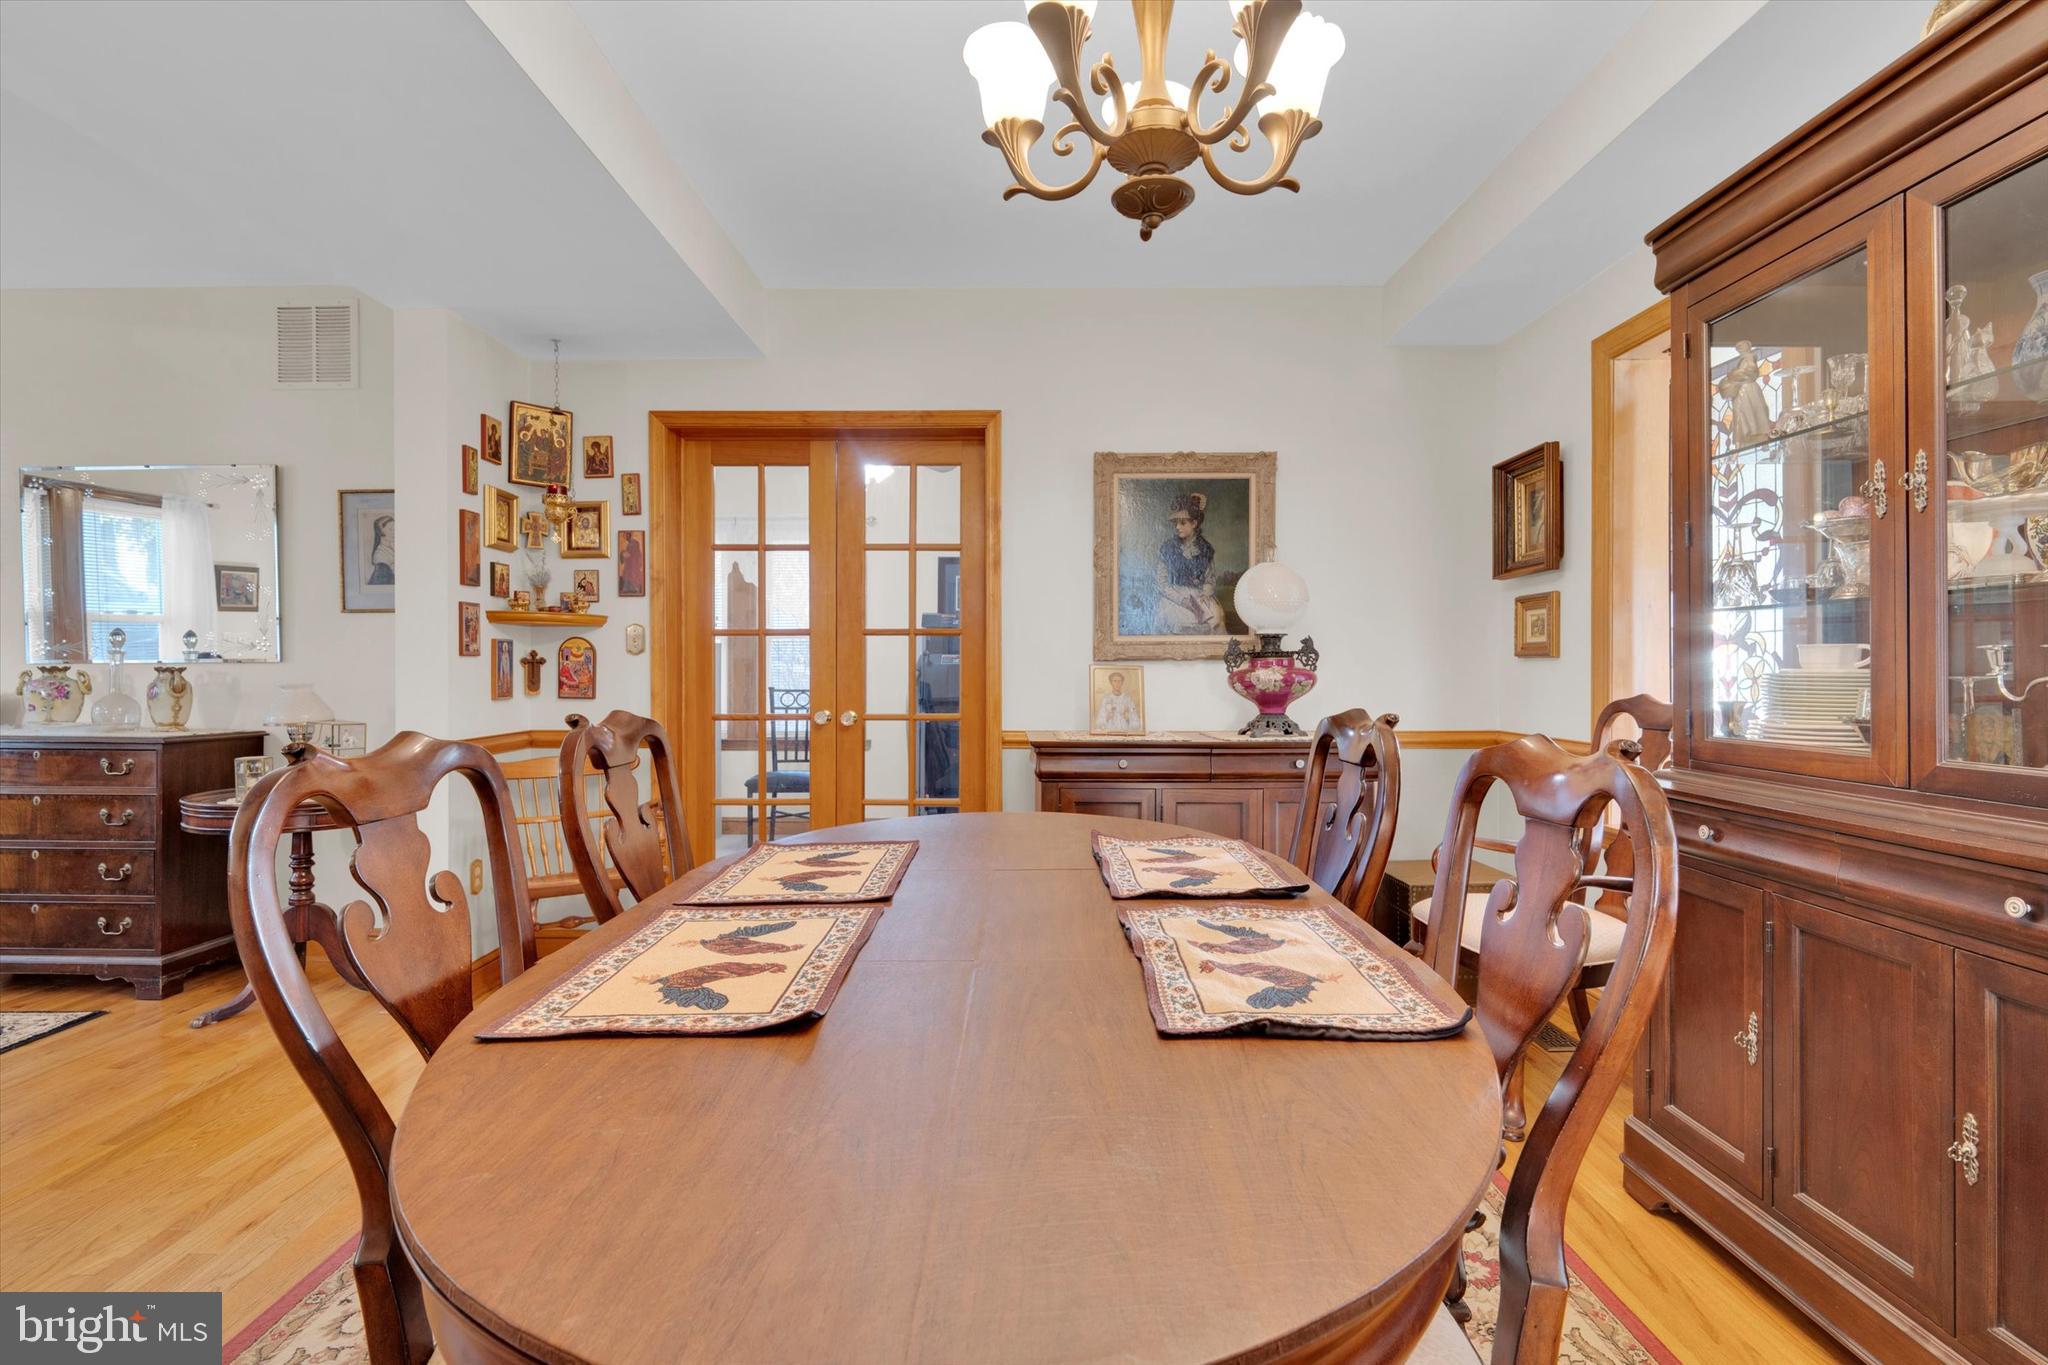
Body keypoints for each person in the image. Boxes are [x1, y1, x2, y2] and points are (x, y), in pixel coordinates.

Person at [1154, 491, 1223, 633]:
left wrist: (1206, 593)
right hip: (1173, 598)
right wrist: (1182, 600)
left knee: (1217, 618)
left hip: (1199, 597)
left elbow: (1210, 579)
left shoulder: (1205, 549)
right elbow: (1161, 583)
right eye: (1176, 523)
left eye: (1182, 523)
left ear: (1194, 523)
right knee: (1178, 624)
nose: (1177, 527)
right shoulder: (1168, 548)